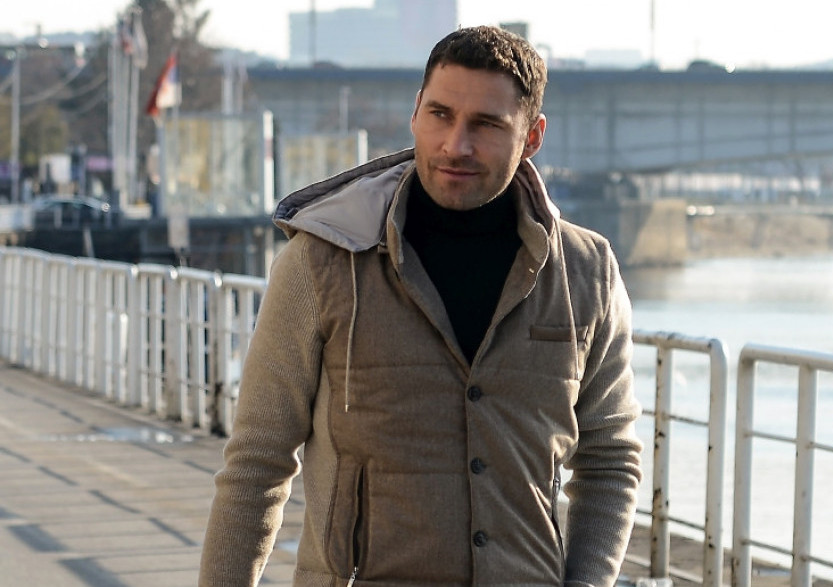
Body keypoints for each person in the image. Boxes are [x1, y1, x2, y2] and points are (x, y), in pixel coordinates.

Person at [199, 25, 642, 587]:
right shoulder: (323, 262)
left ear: (532, 136)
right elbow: (257, 464)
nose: (456, 144)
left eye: (486, 124)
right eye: (440, 115)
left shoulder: (585, 272)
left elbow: (609, 460)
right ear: (415, 113)